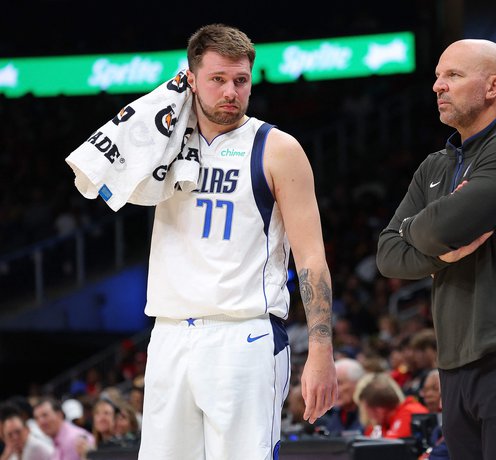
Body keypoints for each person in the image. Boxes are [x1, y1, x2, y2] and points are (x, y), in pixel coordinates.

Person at [64, 23, 337, 459]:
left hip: (243, 335)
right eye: (217, 79)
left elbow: (311, 257)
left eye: (241, 81)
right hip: (170, 335)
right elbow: (101, 166)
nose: (231, 91)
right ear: (190, 79)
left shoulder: (277, 148)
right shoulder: (163, 139)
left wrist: (321, 348)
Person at [376, 38, 496, 459]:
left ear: (492, 86)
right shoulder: (434, 165)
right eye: (437, 76)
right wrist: (440, 250)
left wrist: (427, 228)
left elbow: (437, 227)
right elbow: (388, 254)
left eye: (453, 75)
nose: (437, 86)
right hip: (455, 361)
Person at [356, 372, 429, 439]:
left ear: (378, 410)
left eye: (366, 410)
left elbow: (388, 450)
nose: (367, 416)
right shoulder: (383, 424)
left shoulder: (411, 413)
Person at [315, 358, 366, 436]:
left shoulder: (373, 415)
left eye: (339, 383)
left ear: (358, 383)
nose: (333, 390)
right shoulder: (328, 416)